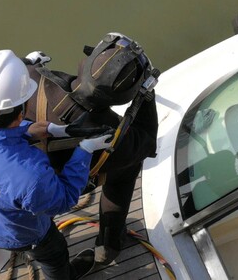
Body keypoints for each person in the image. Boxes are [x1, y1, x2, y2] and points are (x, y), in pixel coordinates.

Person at [0, 50, 114, 280]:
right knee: (54, 255)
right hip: (21, 237)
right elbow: (65, 198)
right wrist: (85, 150)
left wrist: (27, 130)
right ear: (21, 113)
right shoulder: (32, 176)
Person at [23, 32, 159, 265]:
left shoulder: (30, 77)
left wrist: (29, 63)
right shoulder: (114, 134)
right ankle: (109, 245)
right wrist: (146, 94)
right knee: (127, 167)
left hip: (26, 178)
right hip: (71, 182)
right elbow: (147, 142)